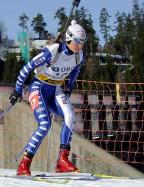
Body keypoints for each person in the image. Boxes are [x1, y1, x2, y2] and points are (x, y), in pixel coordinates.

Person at [9, 20, 87, 175]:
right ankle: (24, 164)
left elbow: (74, 73)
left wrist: (69, 88)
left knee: (70, 115)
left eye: (83, 43)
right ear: (69, 38)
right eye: (78, 42)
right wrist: (17, 90)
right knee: (45, 124)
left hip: (55, 89)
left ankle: (62, 160)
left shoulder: (79, 56)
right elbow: (26, 69)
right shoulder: (53, 51)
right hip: (38, 88)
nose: (80, 46)